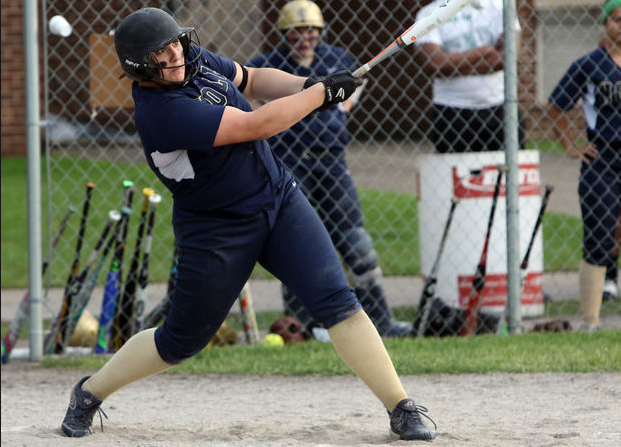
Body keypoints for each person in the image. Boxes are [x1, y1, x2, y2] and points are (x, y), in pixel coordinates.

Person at [59, 7, 436, 441]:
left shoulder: (193, 62)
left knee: (337, 299)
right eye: (161, 53)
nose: (176, 55)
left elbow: (254, 80)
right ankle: (89, 392)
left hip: (278, 198)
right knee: (181, 340)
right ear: (139, 67)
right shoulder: (161, 112)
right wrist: (322, 95)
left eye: (175, 44)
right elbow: (257, 124)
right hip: (216, 229)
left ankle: (400, 406)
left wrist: (307, 84)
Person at [246, 0, 411, 338]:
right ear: (284, 34)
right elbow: (251, 99)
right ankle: (301, 325)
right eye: (295, 32)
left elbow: (351, 94)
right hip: (288, 161)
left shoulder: (337, 59)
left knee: (356, 243)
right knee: (297, 242)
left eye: (310, 31)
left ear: (319, 33)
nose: (304, 38)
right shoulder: (267, 65)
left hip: (331, 160)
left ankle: (381, 320)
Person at [547, 0, 621, 331]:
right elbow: (555, 106)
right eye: (617, 19)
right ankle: (591, 321)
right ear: (605, 24)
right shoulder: (589, 65)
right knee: (599, 235)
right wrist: (570, 145)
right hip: (602, 159)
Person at [413, 0, 524, 153]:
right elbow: (435, 63)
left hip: (499, 105)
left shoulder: (498, 6)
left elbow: (507, 57)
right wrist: (483, 51)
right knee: (455, 172)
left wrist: (453, 65)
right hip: (451, 109)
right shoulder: (428, 14)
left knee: (505, 169)